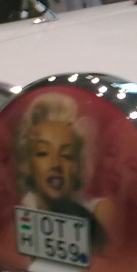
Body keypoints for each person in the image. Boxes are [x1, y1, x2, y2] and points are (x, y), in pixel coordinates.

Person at [16, 92, 113, 253]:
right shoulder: (15, 215)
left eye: (67, 155)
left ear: (78, 166)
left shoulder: (100, 214)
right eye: (43, 153)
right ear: (27, 163)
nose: (56, 164)